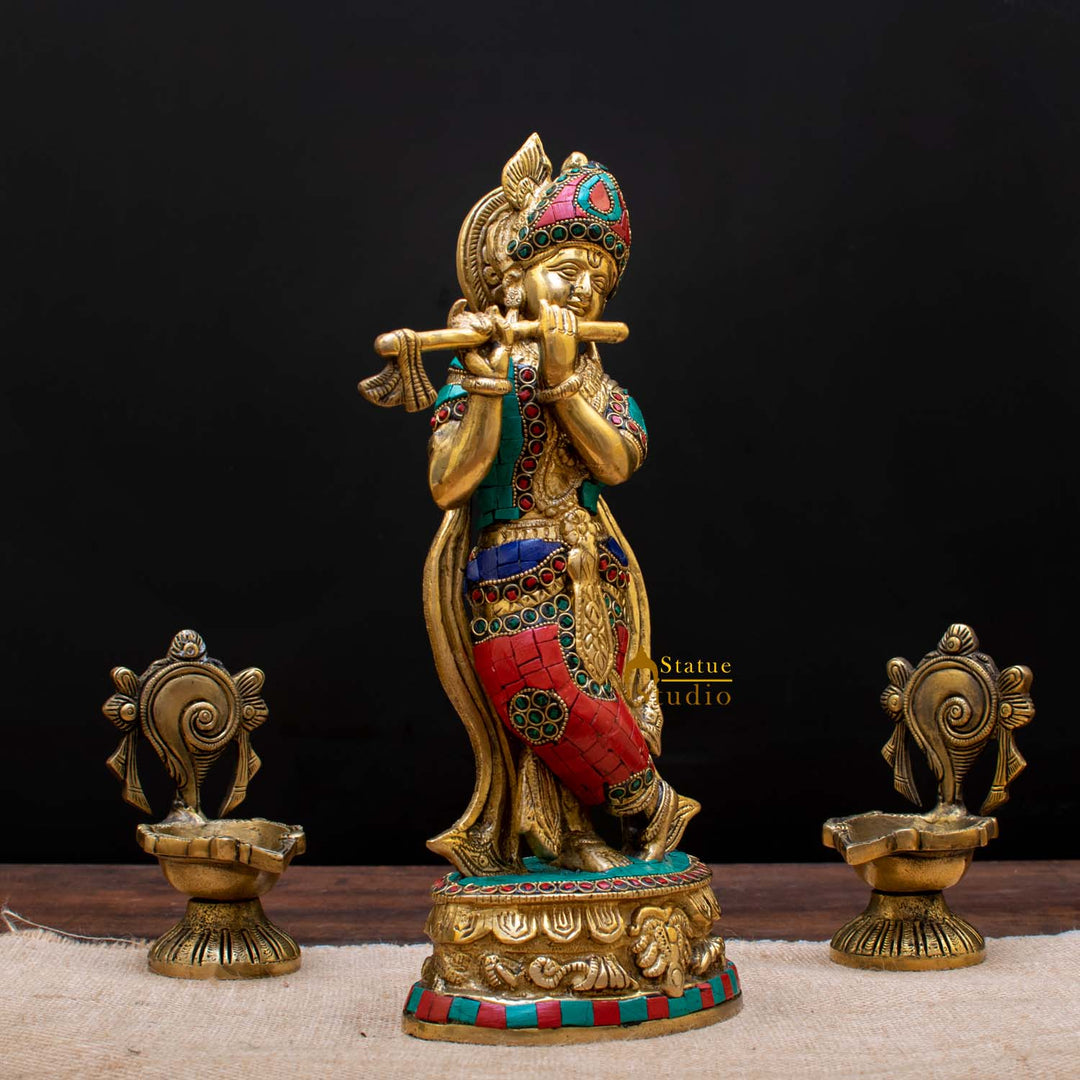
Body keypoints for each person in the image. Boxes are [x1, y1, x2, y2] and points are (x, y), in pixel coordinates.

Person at [422, 134, 699, 877]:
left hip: (594, 579)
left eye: (598, 280)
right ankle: (653, 802)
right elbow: (449, 484)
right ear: (516, 280)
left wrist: (562, 380)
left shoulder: (596, 383)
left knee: (603, 696)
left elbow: (616, 461)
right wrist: (488, 383)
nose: (582, 291)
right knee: (543, 705)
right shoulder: (477, 368)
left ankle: (577, 837)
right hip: (509, 573)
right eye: (566, 270)